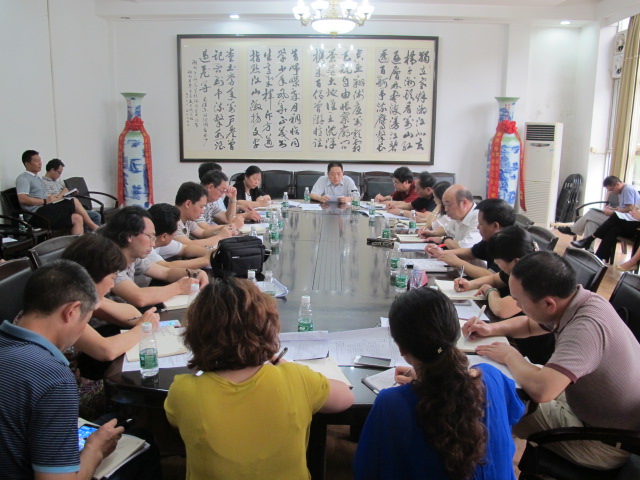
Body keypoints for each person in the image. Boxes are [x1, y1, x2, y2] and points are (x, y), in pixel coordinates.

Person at [464, 251, 640, 470]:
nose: (518, 307)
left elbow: (543, 390)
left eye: (519, 302)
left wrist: (510, 355)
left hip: (600, 441)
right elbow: (530, 325)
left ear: (548, 304)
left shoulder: (585, 328)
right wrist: (491, 329)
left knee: (491, 404)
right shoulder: (579, 301)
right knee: (503, 389)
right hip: (586, 407)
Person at [164, 277, 354, 479]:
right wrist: (281, 363)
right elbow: (346, 397)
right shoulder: (296, 378)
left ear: (195, 334)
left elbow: (176, 421)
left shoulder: (183, 391)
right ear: (268, 328)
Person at [354, 287, 524, 480]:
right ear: (455, 332)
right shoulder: (492, 377)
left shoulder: (392, 404)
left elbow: (367, 469)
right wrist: (435, 377)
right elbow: (514, 413)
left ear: (401, 349)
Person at [0, 260, 123, 478]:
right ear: (71, 311)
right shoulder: (53, 377)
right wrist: (95, 450)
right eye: (86, 320)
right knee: (142, 442)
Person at [100, 206, 206, 308]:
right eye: (149, 236)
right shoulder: (109, 260)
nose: (153, 244)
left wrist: (196, 273)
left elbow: (166, 272)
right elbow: (139, 297)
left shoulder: (134, 256)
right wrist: (179, 287)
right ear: (129, 236)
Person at [454, 225, 536, 319]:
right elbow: (494, 279)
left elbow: (501, 310)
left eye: (498, 262)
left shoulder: (534, 276)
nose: (496, 263)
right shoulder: (520, 265)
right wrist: (470, 284)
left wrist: (490, 290)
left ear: (515, 261)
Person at [427, 198, 516, 278]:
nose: (478, 227)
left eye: (481, 224)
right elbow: (470, 252)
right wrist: (441, 253)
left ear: (495, 226)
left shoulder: (510, 244)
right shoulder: (492, 239)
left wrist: (458, 263)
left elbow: (491, 276)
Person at [16, 150, 100, 234]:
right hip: (35, 215)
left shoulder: (37, 179)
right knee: (73, 201)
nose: (40, 163)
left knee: (77, 218)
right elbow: (22, 199)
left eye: (40, 160)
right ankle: (94, 227)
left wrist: (52, 198)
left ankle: (78, 242)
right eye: (36, 161)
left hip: (45, 211)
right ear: (27, 164)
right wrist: (45, 201)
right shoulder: (23, 178)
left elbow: (45, 198)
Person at [557, 176, 638, 239]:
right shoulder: (621, 191)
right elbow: (624, 207)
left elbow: (629, 209)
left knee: (591, 213)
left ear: (617, 184)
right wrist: (613, 209)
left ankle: (573, 230)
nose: (612, 192)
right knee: (590, 222)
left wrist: (612, 212)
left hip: (624, 221)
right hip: (619, 217)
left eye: (612, 190)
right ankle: (589, 250)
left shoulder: (627, 189)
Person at [148, 203, 211, 270]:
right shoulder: (146, 249)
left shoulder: (158, 240)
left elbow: (185, 249)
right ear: (164, 237)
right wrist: (206, 260)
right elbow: (167, 268)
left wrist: (210, 252)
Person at [42, 158, 102, 226]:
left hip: (68, 206)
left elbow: (62, 196)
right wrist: (62, 193)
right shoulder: (43, 183)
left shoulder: (56, 182)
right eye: (59, 173)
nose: (60, 176)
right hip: (60, 210)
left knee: (95, 215)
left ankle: (91, 231)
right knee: (94, 216)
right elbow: (51, 201)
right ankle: (93, 230)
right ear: (52, 170)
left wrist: (70, 194)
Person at [418, 184, 481, 249]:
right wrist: (430, 233)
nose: (446, 209)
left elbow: (463, 247)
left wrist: (444, 240)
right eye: (444, 205)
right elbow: (446, 229)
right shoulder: (459, 215)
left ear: (464, 203)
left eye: (448, 205)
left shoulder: (479, 218)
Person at [570, 207, 640, 263]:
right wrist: (633, 212)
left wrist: (635, 213)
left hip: (637, 228)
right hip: (632, 221)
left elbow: (633, 210)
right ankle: (599, 257)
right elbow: (634, 207)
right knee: (613, 229)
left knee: (615, 216)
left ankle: (589, 239)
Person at [174, 182, 233, 248]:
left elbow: (202, 233)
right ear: (188, 204)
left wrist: (222, 229)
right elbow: (188, 245)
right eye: (201, 207)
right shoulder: (171, 221)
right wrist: (220, 237)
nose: (202, 212)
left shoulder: (187, 219)